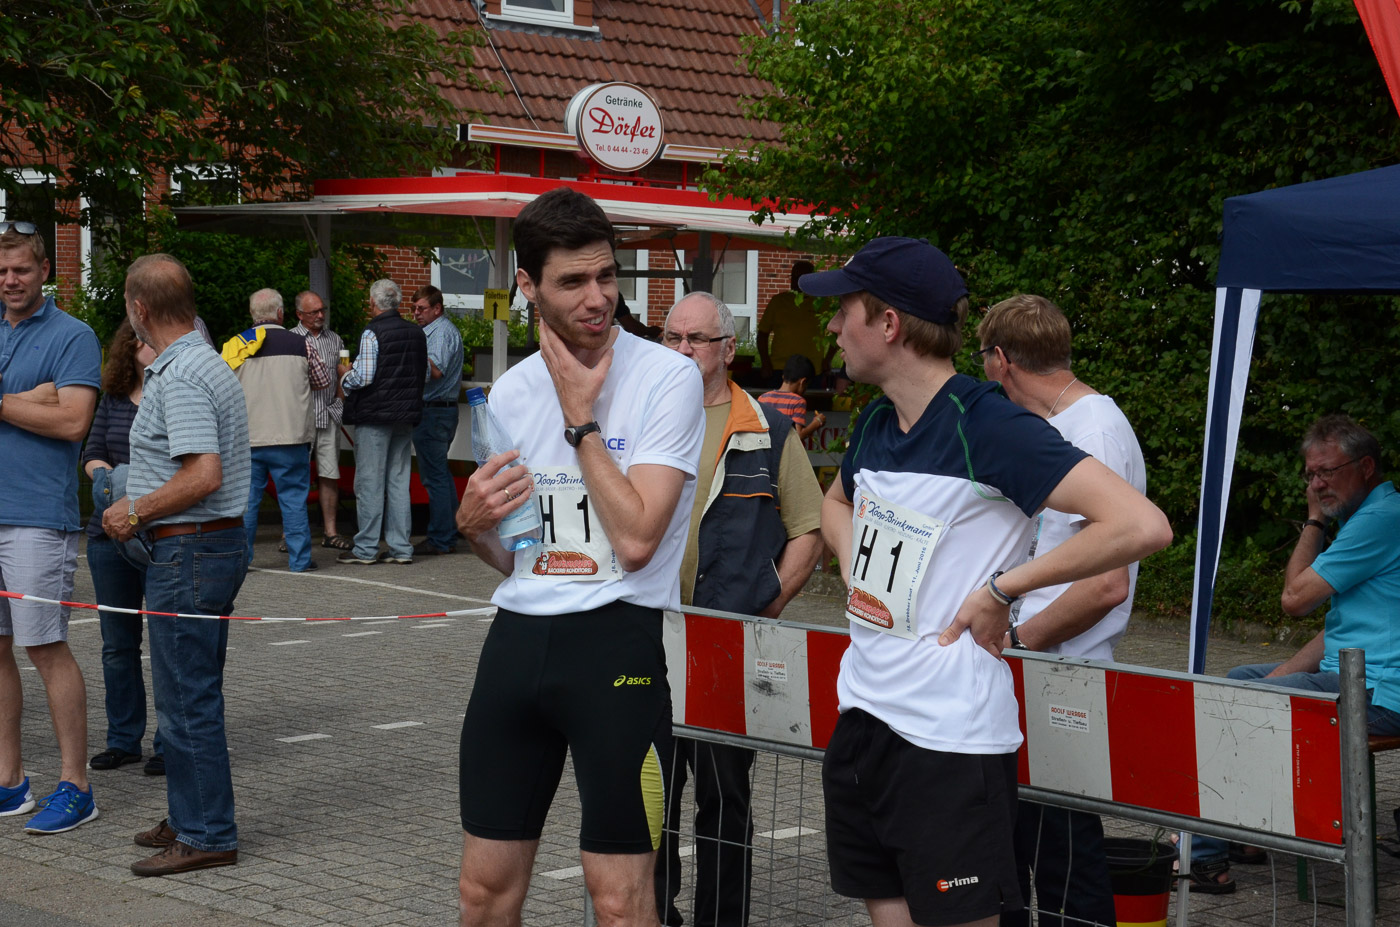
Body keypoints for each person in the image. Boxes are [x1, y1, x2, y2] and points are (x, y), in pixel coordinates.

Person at [801, 237, 1171, 927]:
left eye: (843, 310)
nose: (831, 326)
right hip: (862, 722)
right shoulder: (878, 419)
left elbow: (1141, 525)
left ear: (889, 323)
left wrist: (1003, 590)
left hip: (948, 742)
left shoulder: (989, 423)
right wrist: (859, 574)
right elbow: (835, 502)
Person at [454, 186, 704, 927]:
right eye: (573, 281)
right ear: (528, 285)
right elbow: (517, 555)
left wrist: (581, 419)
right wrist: (473, 528)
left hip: (618, 644)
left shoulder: (667, 377)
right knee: (482, 891)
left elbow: (637, 540)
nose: (598, 298)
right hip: (518, 642)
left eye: (607, 276)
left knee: (620, 901)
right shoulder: (510, 390)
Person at [654, 291, 824, 927]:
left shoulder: (766, 428)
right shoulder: (640, 419)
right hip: (648, 635)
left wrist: (766, 601)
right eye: (671, 337)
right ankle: (652, 913)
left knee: (724, 797)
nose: (682, 350)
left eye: (695, 339)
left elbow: (809, 530)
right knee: (651, 795)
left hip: (726, 642)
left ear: (728, 350)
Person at [976, 294, 1147, 927]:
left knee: (1065, 864)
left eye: (983, 360)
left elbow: (1106, 585)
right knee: (1026, 853)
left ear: (1001, 360)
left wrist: (1017, 640)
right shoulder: (1069, 421)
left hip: (1057, 673)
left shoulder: (1091, 430)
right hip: (1039, 667)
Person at [1189, 413, 1400, 892]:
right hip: (1361, 675)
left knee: (1222, 707)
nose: (1317, 484)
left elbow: (1295, 600)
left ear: (1366, 467)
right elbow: (1340, 630)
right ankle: (1244, 837)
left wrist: (1314, 520)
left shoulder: (1379, 520)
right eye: (1310, 475)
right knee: (1240, 680)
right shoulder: (1371, 517)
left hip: (1379, 691)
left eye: (1328, 471)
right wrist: (1278, 676)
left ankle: (1204, 856)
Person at [101, 253, 252, 876]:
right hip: (206, 547)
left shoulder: (182, 371)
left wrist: (134, 511)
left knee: (187, 699)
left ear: (139, 309)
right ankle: (192, 813)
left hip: (191, 549)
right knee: (193, 691)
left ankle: (207, 831)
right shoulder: (202, 360)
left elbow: (203, 474)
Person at [0, 221, 102, 834]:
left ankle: (76, 786)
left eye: (21, 269)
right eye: (1, 271)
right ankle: (10, 783)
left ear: (44, 271)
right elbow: (50, 410)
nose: (10, 280)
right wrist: (31, 399)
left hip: (37, 516)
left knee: (43, 646)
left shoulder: (73, 335)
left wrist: (8, 403)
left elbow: (71, 422)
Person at [83, 321, 167, 777]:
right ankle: (123, 739)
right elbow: (92, 452)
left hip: (162, 535)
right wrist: (112, 482)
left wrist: (133, 489)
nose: (153, 347)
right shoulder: (113, 398)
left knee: (167, 644)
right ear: (130, 347)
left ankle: (170, 742)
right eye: (146, 340)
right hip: (108, 535)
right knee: (117, 645)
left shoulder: (174, 393)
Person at [227, 288, 330, 572]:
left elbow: (222, 388)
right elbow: (322, 381)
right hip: (291, 435)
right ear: (281, 314)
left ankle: (240, 561)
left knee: (247, 502)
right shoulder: (302, 344)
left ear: (252, 314)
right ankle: (300, 561)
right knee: (294, 499)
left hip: (249, 437)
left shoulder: (235, 345)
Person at [337, 279, 427, 566]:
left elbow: (364, 376)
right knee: (399, 481)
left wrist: (344, 375)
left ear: (373, 303)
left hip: (374, 415)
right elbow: (422, 374)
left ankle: (365, 548)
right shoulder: (417, 333)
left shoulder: (372, 332)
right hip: (405, 415)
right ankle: (401, 548)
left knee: (370, 483)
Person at [289, 290, 351, 551]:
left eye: (322, 310)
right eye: (313, 311)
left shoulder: (335, 339)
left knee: (329, 473)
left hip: (328, 414)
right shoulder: (290, 339)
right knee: (295, 475)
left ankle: (330, 532)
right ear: (299, 314)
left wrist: (339, 401)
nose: (320, 315)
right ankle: (291, 534)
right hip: (300, 418)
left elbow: (344, 374)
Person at [410, 284, 465, 557]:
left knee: (435, 478)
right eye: (414, 309)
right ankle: (450, 531)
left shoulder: (440, 332)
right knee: (440, 474)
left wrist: (408, 357)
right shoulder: (436, 331)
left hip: (434, 411)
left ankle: (441, 538)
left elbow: (435, 371)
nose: (416, 313)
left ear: (436, 308)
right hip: (439, 411)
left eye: (421, 308)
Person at [757, 259, 822, 385]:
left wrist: (828, 360)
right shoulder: (778, 301)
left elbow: (838, 334)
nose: (796, 282)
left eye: (801, 278)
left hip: (812, 369)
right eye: (794, 277)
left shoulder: (821, 303)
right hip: (780, 368)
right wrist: (765, 363)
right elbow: (762, 335)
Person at [758, 354, 828, 442]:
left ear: (783, 376)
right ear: (803, 382)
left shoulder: (763, 398)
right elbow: (798, 436)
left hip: (765, 449)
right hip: (784, 450)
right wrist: (817, 422)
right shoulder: (798, 402)